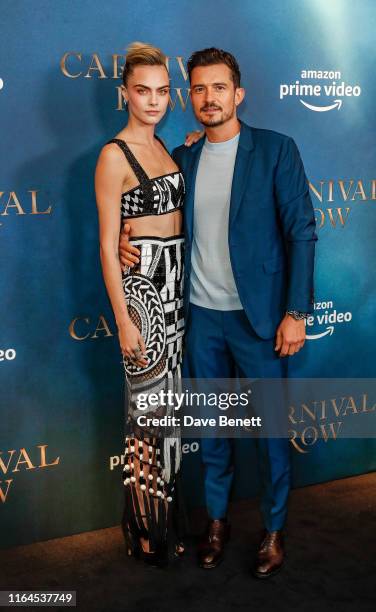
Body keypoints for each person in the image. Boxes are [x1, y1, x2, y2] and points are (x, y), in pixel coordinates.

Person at [119, 47, 317, 578]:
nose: (209, 98)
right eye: (199, 89)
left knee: (272, 432)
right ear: (192, 97)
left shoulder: (276, 151)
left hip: (260, 321)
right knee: (213, 431)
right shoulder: (184, 158)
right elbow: (148, 212)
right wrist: (123, 239)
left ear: (238, 93)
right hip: (201, 320)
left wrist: (296, 311)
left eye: (219, 88)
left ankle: (274, 529)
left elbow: (301, 232)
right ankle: (217, 522)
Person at [95, 42, 189, 567]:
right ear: (124, 93)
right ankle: (146, 530)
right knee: (147, 417)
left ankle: (167, 516)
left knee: (169, 416)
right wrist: (124, 321)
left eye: (161, 92)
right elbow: (109, 247)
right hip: (145, 299)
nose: (153, 101)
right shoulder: (115, 155)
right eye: (142, 91)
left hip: (177, 296)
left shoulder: (167, 148)